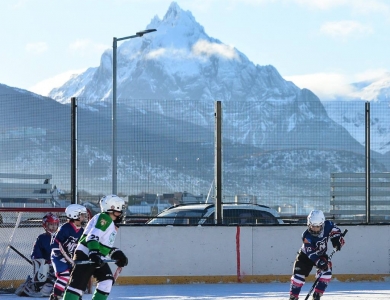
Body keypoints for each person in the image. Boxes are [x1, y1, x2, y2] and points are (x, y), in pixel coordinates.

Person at [62, 195, 129, 300]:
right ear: (112, 207)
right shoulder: (104, 218)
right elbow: (92, 236)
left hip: (95, 255)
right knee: (77, 287)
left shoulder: (110, 223)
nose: (121, 213)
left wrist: (116, 253)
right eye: (120, 209)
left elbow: (103, 244)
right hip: (86, 254)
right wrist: (93, 252)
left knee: (106, 281)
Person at [289, 210, 345, 300]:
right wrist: (318, 262)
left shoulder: (328, 225)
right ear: (308, 224)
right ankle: (293, 297)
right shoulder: (306, 236)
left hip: (321, 254)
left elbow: (335, 230)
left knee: (326, 273)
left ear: (322, 224)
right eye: (313, 226)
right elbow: (310, 253)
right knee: (298, 277)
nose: (315, 229)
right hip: (305, 256)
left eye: (317, 227)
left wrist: (337, 241)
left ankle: (317, 295)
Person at [15, 212, 59, 297]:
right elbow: (35, 255)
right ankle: (34, 284)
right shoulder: (41, 238)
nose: (53, 227)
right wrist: (44, 262)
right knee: (46, 288)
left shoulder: (61, 236)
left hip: (59, 266)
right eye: (51, 224)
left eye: (55, 224)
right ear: (45, 225)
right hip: (46, 268)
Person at [50, 204, 88, 300]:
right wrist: (59, 253)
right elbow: (55, 243)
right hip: (59, 257)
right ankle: (56, 297)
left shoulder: (82, 231)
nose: (84, 217)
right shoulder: (65, 228)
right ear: (75, 215)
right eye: (82, 215)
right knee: (64, 275)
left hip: (71, 258)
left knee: (75, 278)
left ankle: (74, 296)